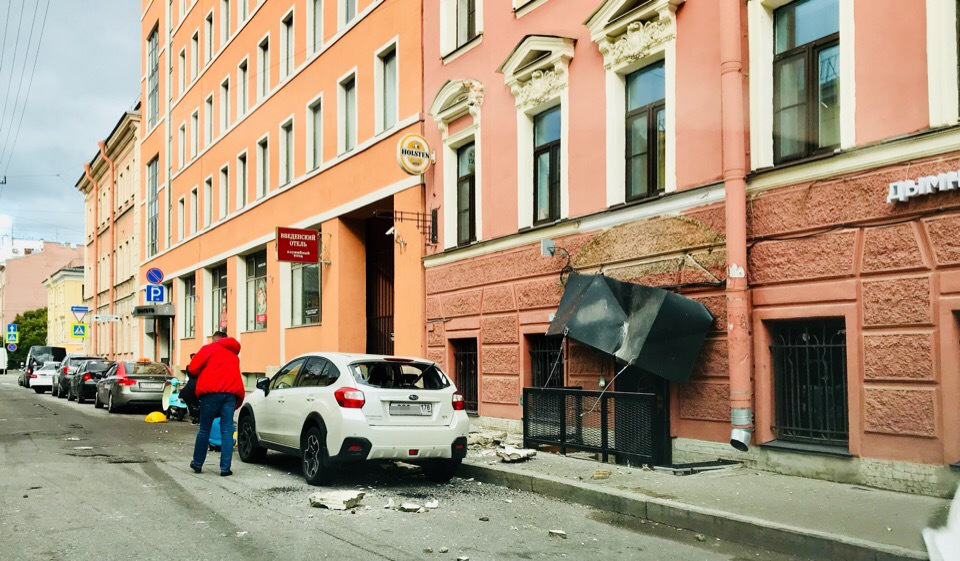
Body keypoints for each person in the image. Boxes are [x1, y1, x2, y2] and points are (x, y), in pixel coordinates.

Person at [187, 331, 244, 476]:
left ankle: (197, 464)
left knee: (205, 429)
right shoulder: (233, 355)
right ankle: (225, 468)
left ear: (215, 340)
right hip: (230, 394)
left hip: (210, 393)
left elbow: (193, 368)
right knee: (227, 431)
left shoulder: (209, 349)